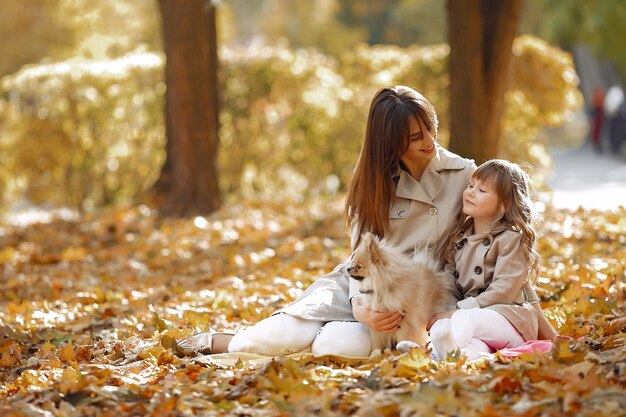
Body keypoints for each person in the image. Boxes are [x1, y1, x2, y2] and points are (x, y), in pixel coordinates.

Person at [175, 85, 475, 357]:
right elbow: (360, 258)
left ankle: (314, 338)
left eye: (430, 128)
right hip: (362, 288)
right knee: (266, 340)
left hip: (422, 296)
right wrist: (360, 307)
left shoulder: (463, 174)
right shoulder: (373, 184)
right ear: (392, 143)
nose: (430, 140)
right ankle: (223, 342)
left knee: (335, 347)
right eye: (415, 137)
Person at [427, 159, 559, 360]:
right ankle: (449, 358)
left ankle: (428, 353)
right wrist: (450, 309)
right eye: (471, 186)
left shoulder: (512, 239)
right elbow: (449, 283)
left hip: (510, 321)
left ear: (504, 204)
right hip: (477, 324)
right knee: (472, 345)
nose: (470, 192)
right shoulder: (459, 238)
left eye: (482, 190)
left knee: (466, 320)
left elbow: (503, 291)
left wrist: (457, 312)